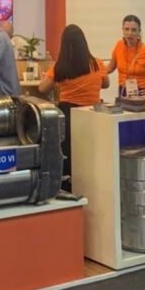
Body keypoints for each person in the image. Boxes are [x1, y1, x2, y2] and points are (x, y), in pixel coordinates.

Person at [39, 24, 109, 191]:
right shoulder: (97, 64)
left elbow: (42, 88)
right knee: (89, 152)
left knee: (69, 152)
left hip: (68, 114)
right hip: (92, 115)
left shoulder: (60, 67)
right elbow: (106, 84)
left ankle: (68, 185)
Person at [108, 15, 145, 97]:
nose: (129, 33)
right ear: (122, 30)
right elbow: (110, 68)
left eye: (134, 30)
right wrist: (94, 70)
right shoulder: (119, 45)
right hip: (123, 90)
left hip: (142, 93)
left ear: (139, 31)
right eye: (126, 29)